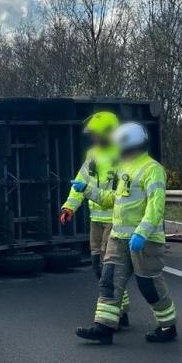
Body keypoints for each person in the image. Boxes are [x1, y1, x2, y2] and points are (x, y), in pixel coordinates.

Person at [71, 122, 177, 345]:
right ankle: (104, 327)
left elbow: (156, 206)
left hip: (145, 241)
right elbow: (113, 199)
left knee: (149, 286)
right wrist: (87, 190)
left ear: (131, 146)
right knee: (109, 280)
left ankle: (168, 326)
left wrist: (142, 232)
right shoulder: (124, 168)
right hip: (118, 238)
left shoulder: (152, 169)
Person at [60, 111, 130, 326]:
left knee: (108, 269)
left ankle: (113, 315)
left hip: (115, 221)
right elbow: (80, 183)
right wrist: (69, 207)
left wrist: (87, 190)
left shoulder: (123, 157)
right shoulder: (93, 154)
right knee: (97, 267)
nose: (94, 138)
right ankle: (122, 308)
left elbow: (115, 197)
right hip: (96, 220)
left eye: (97, 134)